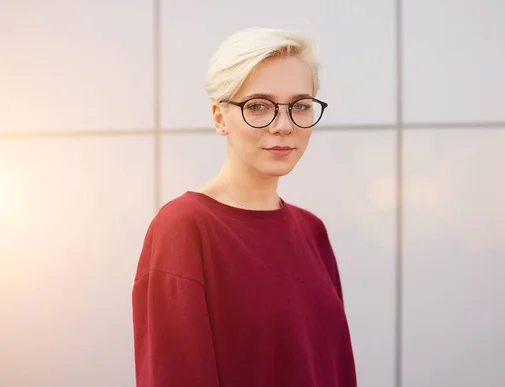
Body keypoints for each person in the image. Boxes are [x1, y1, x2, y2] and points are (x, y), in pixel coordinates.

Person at [131, 27, 357, 387]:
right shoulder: (184, 227)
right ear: (220, 117)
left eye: (299, 105)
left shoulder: (312, 230)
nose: (284, 126)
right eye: (258, 106)